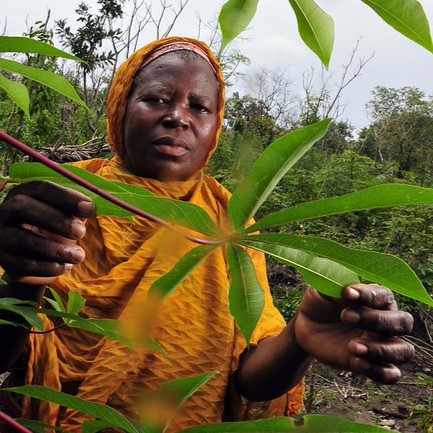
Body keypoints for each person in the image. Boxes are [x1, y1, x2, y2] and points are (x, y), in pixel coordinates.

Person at [0, 36, 414, 432]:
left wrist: (301, 336)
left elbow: (250, 381)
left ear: (216, 127)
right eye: (156, 99)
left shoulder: (229, 222)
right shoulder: (56, 197)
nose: (177, 116)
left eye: (199, 107)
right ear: (120, 107)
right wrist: (20, 281)